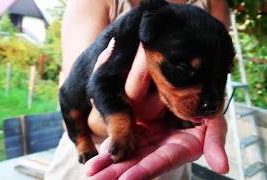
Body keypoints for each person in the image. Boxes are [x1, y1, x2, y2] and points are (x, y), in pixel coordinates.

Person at [45, 0, 231, 179]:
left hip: (169, 162)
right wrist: (123, 128)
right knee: (75, 116)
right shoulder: (124, 42)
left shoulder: (213, 4)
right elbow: (97, 86)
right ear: (145, 38)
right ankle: (81, 143)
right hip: (90, 152)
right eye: (184, 70)